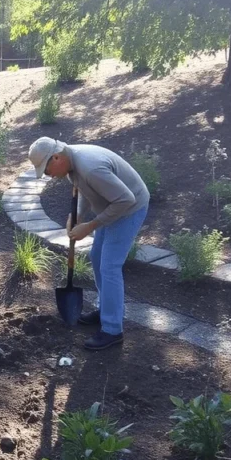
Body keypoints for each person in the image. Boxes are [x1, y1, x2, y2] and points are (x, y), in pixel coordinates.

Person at [28, 136, 150, 351]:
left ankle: (113, 330)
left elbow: (125, 200)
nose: (49, 177)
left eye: (47, 171)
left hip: (129, 209)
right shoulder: (71, 164)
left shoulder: (90, 167)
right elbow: (86, 191)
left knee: (109, 266)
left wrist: (90, 225)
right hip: (110, 207)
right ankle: (106, 310)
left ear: (56, 157)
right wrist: (75, 216)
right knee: (96, 257)